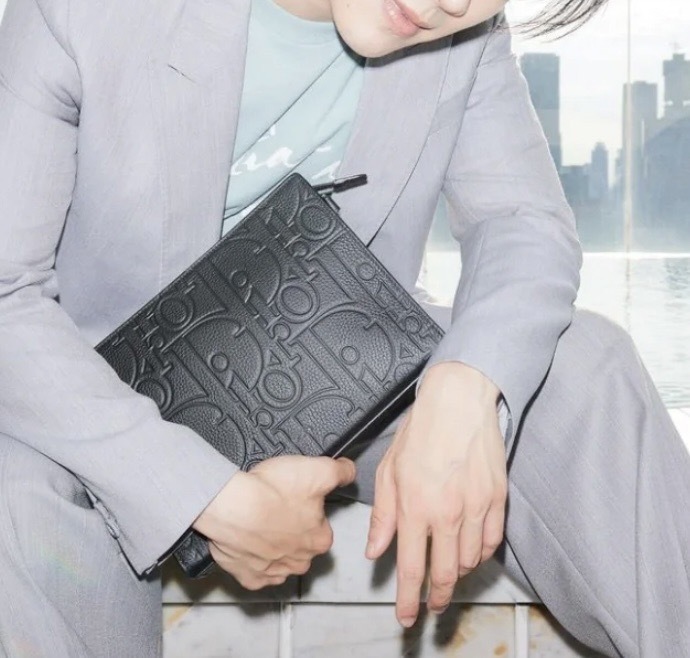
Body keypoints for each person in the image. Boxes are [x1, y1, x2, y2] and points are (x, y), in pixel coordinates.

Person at [0, 0, 688, 655]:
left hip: (337, 379)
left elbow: (523, 221)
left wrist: (465, 389)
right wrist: (199, 494)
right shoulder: (86, 11)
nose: (454, 4)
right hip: (105, 394)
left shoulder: (462, 34)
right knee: (16, 486)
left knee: (585, 366)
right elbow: (8, 293)